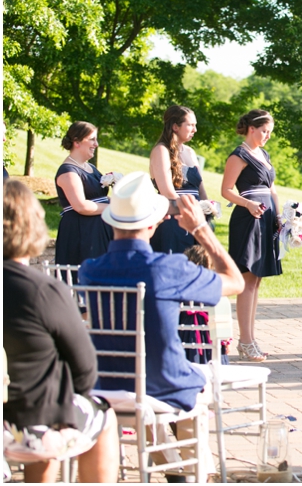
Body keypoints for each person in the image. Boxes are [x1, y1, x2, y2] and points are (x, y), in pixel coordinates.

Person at [79, 171, 244, 481]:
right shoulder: (168, 269)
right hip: (162, 383)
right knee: (193, 386)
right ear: (153, 224)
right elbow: (235, 282)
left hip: (105, 384)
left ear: (112, 221)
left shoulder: (90, 270)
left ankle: (175, 472)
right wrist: (200, 230)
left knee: (144, 392)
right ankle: (197, 475)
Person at [3, 180, 119, 483]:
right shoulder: (43, 291)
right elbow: (85, 369)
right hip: (23, 423)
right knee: (101, 415)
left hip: (16, 416)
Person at [221, 109, 282, 362]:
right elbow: (225, 190)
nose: (267, 136)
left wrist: (280, 217)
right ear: (252, 129)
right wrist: (247, 204)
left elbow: (272, 189)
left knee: (256, 280)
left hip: (266, 218)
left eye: (270, 132)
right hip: (248, 219)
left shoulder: (264, 154)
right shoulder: (239, 155)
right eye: (264, 131)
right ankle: (244, 342)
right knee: (246, 280)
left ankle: (251, 339)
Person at [149, 105, 212, 254]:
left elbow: (201, 189)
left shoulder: (190, 152)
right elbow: (167, 192)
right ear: (176, 127)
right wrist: (193, 208)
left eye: (195, 125)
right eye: (190, 125)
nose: (195, 130)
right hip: (174, 220)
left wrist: (208, 207)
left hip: (196, 218)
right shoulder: (161, 151)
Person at [54, 121, 113, 269]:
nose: (96, 144)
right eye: (92, 139)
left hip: (99, 231)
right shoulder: (68, 171)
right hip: (82, 233)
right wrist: (113, 207)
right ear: (77, 142)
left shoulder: (90, 167)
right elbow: (81, 206)